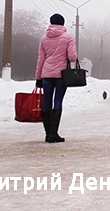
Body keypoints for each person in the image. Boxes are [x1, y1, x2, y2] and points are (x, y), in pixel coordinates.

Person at [35, 13, 77, 143]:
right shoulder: (68, 37)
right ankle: (54, 133)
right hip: (61, 74)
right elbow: (72, 57)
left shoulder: (44, 38)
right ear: (62, 23)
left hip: (46, 73)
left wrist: (38, 77)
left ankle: (48, 134)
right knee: (57, 101)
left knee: (46, 101)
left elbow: (40, 59)